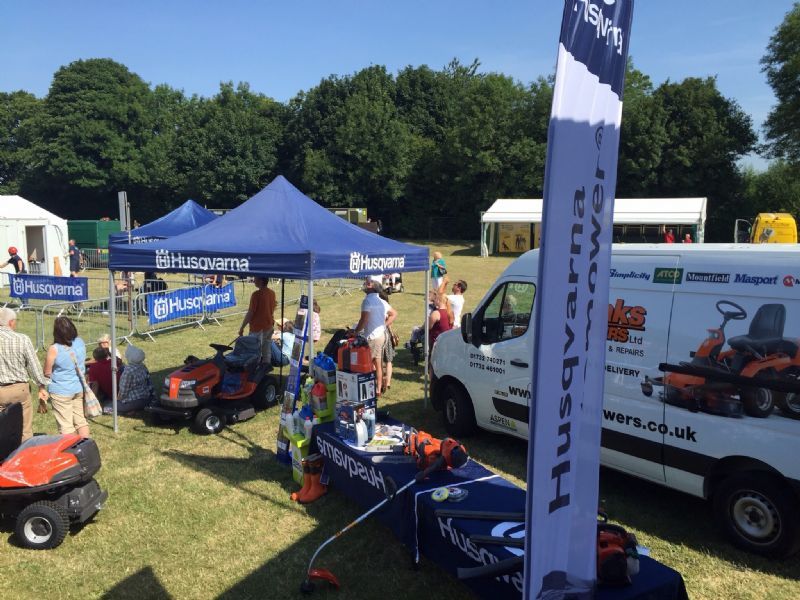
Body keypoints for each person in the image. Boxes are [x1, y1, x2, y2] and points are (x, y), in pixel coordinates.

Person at [0, 307, 48, 442]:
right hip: (19, 389)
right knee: (24, 429)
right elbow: (34, 366)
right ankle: (23, 451)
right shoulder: (22, 339)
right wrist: (41, 385)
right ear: (11, 322)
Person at [43, 316, 89, 437]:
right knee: (81, 421)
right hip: (78, 388)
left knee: (66, 426)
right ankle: (85, 445)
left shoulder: (54, 349)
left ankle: (71, 447)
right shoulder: (80, 342)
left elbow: (47, 372)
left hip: (61, 391)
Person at [354, 278, 388, 395]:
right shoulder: (381, 301)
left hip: (372, 337)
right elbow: (393, 313)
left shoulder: (367, 301)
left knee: (367, 364)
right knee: (378, 364)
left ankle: (370, 389)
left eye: (368, 284)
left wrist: (355, 331)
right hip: (381, 335)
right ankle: (378, 388)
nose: (365, 285)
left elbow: (364, 320)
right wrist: (384, 325)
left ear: (372, 288)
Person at [239, 277, 276, 364]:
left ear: (261, 280)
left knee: (255, 351)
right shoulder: (272, 293)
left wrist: (242, 327)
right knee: (266, 349)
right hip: (269, 325)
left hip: (258, 328)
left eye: (255, 278)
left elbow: (250, 312)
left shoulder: (256, 295)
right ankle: (266, 366)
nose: (254, 280)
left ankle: (255, 368)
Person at [108, 345, 153, 414]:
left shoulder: (128, 371)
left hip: (134, 401)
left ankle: (128, 410)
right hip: (146, 398)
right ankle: (134, 409)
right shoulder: (143, 366)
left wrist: (117, 401)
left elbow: (123, 391)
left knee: (107, 408)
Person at [377, 291, 398, 394]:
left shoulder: (378, 308)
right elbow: (390, 325)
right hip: (388, 335)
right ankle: (388, 382)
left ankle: (380, 383)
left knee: (378, 361)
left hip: (379, 334)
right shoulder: (388, 309)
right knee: (389, 361)